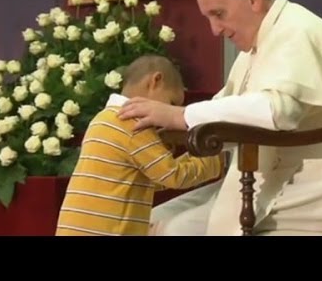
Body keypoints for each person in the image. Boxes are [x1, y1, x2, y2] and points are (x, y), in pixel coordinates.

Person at [117, 0, 322, 236]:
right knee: (151, 219)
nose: (214, 30)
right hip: (290, 169)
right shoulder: (257, 45)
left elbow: (278, 112)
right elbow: (225, 112)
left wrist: (179, 116)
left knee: (178, 229)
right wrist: (167, 126)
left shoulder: (295, 30)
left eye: (218, 14)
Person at [55, 55, 222, 236]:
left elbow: (144, 179)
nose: (171, 113)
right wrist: (214, 154)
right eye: (172, 103)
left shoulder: (104, 119)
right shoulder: (134, 125)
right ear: (155, 81)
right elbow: (174, 175)